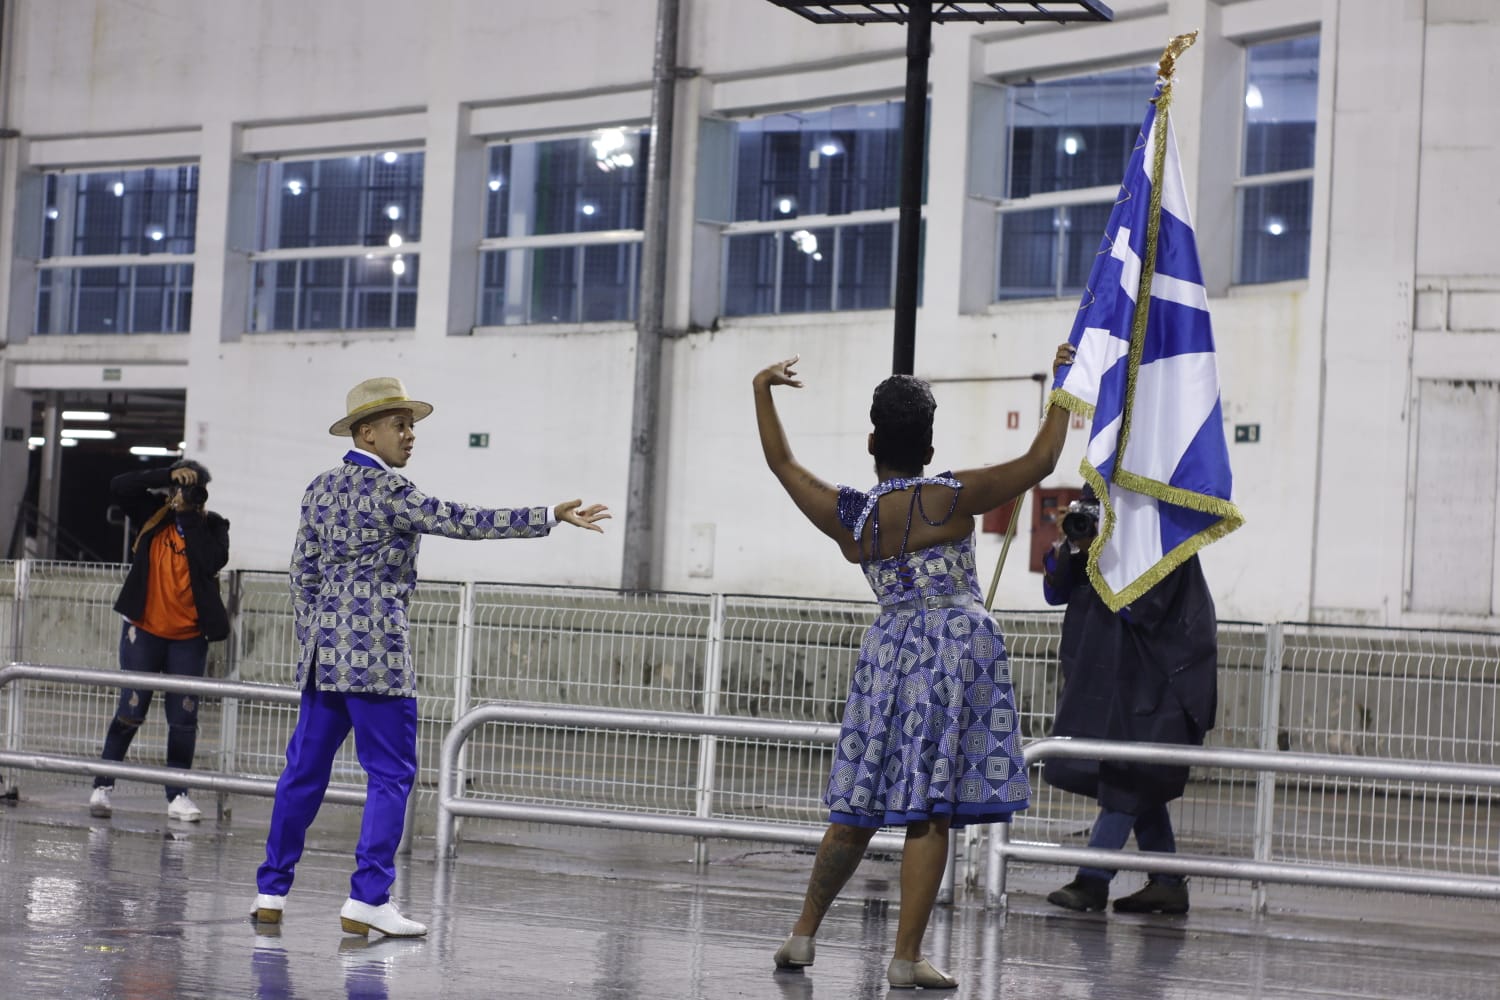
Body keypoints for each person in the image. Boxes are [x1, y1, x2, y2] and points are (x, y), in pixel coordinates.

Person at [756, 346, 1076, 991]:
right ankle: (905, 956)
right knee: (930, 809)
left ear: (873, 440)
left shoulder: (853, 515)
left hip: (887, 655)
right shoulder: (952, 495)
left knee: (857, 805)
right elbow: (1042, 460)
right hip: (951, 656)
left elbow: (782, 462)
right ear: (928, 448)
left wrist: (761, 388)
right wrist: (1064, 385)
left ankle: (802, 936)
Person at [251, 376, 610, 939]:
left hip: (324, 658)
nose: (410, 435)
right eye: (400, 425)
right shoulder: (393, 493)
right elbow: (466, 520)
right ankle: (367, 899)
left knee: (303, 774)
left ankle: (271, 889)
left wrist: (318, 634)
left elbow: (303, 572)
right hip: (377, 659)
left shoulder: (318, 488)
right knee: (391, 776)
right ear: (367, 432)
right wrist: (548, 515)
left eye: (411, 424)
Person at [1040, 484, 1218, 915]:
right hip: (1114, 680)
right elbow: (1055, 590)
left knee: (1128, 777)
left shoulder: (1167, 545)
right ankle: (1167, 882)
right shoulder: (1099, 545)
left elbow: (1142, 604)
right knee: (1137, 780)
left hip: (1159, 684)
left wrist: (1104, 547)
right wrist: (1074, 544)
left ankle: (1092, 881)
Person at [88, 458, 230, 823]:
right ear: (170, 494)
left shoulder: (214, 527)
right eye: (181, 489)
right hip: (145, 630)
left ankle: (177, 794)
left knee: (183, 719)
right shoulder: (152, 517)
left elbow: (210, 561)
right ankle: (103, 785)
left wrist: (189, 518)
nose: (187, 496)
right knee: (131, 711)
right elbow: (119, 484)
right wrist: (166, 477)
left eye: (195, 491)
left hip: (188, 638)